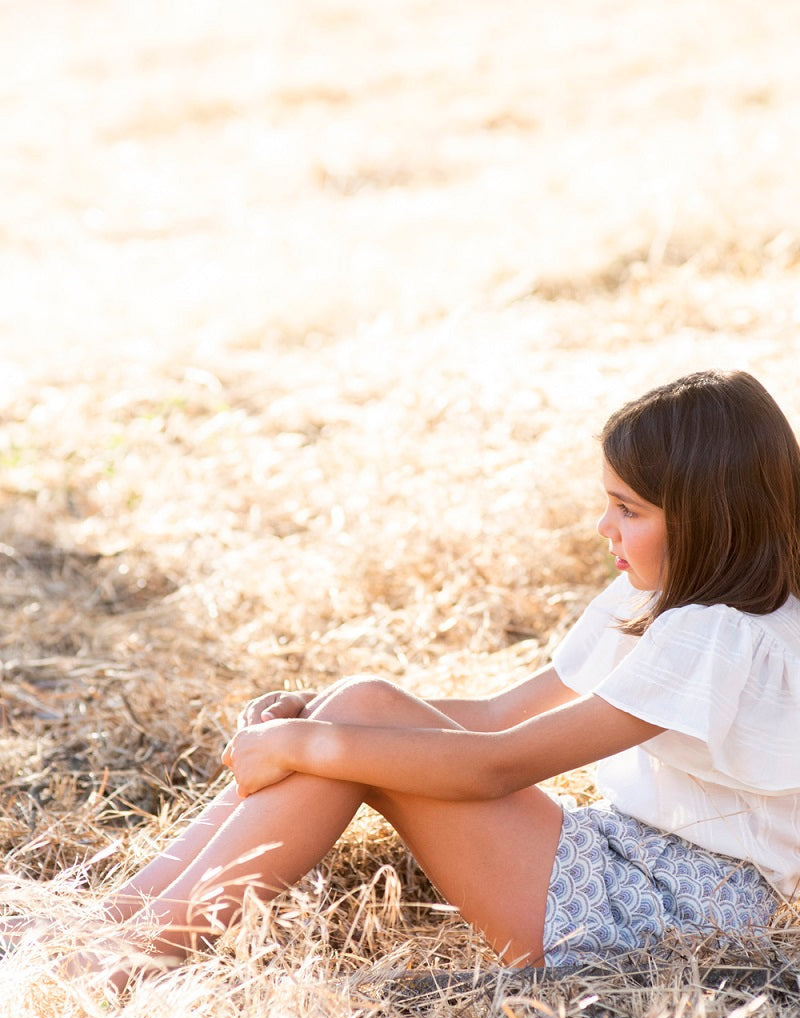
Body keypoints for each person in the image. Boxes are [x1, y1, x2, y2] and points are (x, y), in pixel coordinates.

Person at [12, 369, 800, 978]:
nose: (603, 527)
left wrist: (309, 746)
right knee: (360, 705)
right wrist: (322, 720)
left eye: (628, 510)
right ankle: (112, 921)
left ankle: (120, 959)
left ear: (705, 516)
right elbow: (496, 716)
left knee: (343, 736)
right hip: (625, 856)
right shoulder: (664, 593)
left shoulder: (721, 636)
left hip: (675, 911)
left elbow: (498, 766)